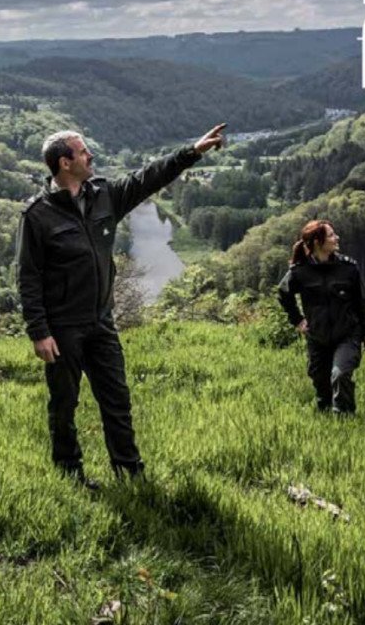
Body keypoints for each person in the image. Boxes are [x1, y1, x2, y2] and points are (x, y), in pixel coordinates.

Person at [17, 124, 225, 484]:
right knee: (64, 404)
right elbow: (28, 277)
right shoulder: (37, 215)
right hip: (64, 327)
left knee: (117, 400)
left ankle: (130, 473)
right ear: (65, 163)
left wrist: (192, 152)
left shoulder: (104, 196)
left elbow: (148, 179)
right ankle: (69, 474)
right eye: (83, 152)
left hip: (101, 321)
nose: (90, 156)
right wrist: (39, 332)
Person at [277, 220, 365, 415]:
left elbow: (362, 302)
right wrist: (297, 320)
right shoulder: (300, 271)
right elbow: (283, 294)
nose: (336, 238)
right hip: (317, 337)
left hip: (348, 334)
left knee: (340, 375)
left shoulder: (348, 268)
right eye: (331, 235)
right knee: (320, 381)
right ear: (317, 242)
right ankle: (325, 414)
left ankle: (344, 419)